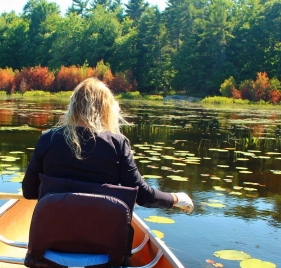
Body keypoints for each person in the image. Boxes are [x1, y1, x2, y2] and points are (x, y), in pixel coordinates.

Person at [21, 77, 194, 213]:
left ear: (73, 106)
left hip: (50, 244)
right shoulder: (118, 144)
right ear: (105, 109)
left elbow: (29, 191)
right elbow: (143, 196)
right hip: (104, 250)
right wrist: (176, 198)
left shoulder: (48, 139)